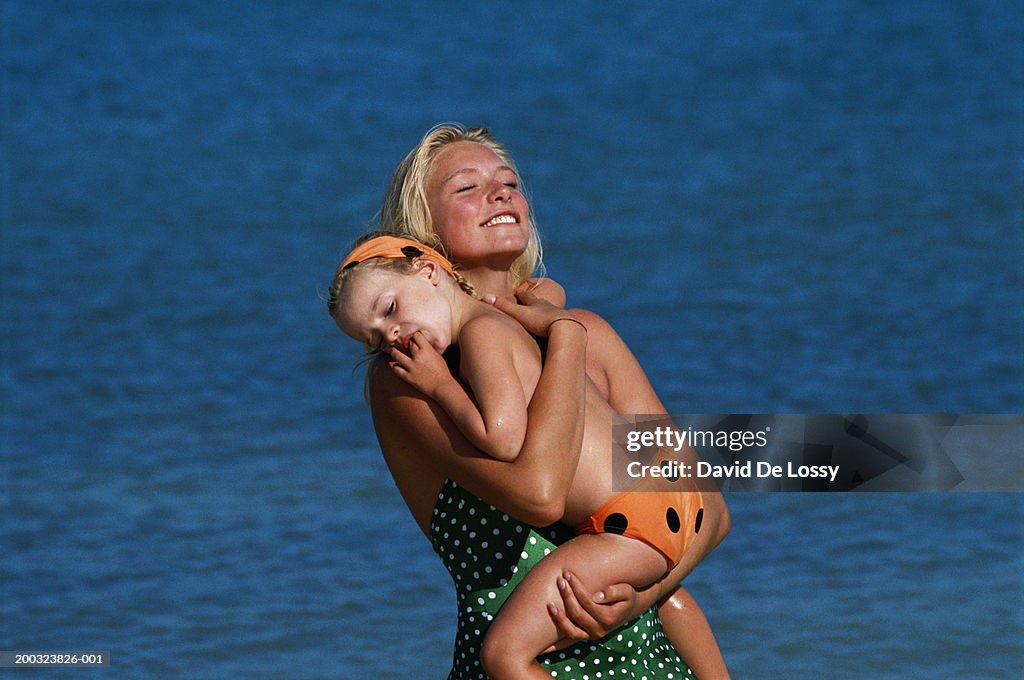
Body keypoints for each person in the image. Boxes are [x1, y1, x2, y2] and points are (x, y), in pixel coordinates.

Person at [346, 123, 731, 679]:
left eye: (507, 182)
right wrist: (564, 341)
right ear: (421, 243)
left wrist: (642, 598)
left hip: (651, 662)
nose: (499, 193)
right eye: (466, 188)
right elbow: (540, 494)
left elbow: (711, 509)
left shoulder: (592, 334)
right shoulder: (411, 374)